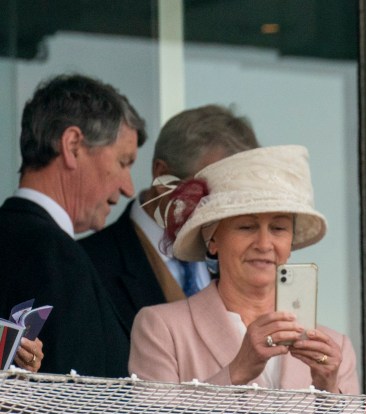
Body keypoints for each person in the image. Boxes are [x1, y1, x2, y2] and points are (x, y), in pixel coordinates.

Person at [129, 144, 366, 414]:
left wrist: (329, 397)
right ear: (212, 239)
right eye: (246, 227)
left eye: (278, 228)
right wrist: (236, 372)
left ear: (291, 243)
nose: (265, 243)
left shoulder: (332, 348)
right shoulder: (162, 327)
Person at [0, 73, 153, 414]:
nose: (127, 188)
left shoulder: (33, 243)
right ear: (72, 146)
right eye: (123, 162)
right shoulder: (51, 253)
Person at [82, 105, 259, 332]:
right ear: (162, 176)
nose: (223, 209)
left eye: (234, 198)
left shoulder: (240, 263)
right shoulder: (89, 265)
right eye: (211, 192)